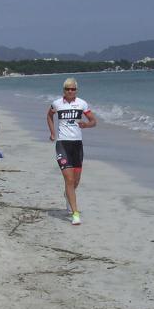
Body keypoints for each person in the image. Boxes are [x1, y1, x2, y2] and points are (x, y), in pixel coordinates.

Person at [47, 77, 97, 225]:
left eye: (73, 89)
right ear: (64, 90)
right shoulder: (57, 103)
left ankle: (68, 195)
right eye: (67, 89)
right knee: (68, 179)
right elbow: (49, 115)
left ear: (76, 90)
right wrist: (52, 133)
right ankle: (75, 214)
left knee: (75, 181)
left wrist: (86, 125)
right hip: (62, 144)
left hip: (77, 145)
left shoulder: (82, 103)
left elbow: (93, 121)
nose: (70, 91)